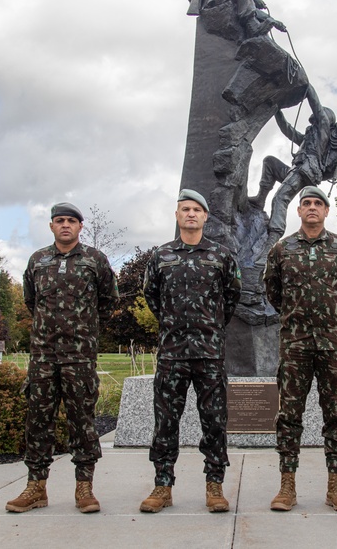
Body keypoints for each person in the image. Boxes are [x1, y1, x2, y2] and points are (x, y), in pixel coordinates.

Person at [7, 202, 119, 514]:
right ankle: (35, 487)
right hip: (43, 356)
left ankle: (84, 486)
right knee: (38, 421)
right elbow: (32, 300)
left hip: (79, 357)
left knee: (82, 421)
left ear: (80, 226)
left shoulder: (94, 260)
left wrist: (86, 328)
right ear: (52, 226)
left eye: (71, 221)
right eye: (60, 221)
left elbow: (109, 300)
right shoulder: (38, 260)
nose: (65, 225)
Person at [263, 185, 337, 512]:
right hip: (295, 345)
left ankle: (335, 487)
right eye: (305, 203)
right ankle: (287, 486)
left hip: (333, 346)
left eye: (317, 204)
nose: (311, 208)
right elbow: (273, 293)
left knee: (335, 414)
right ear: (298, 211)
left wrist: (333, 321)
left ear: (326, 210)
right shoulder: (282, 250)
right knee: (289, 415)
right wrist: (296, 319)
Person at [139, 189, 242, 514]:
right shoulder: (161, 256)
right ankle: (162, 486)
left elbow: (231, 297)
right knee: (166, 422)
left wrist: (209, 325)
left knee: (214, 422)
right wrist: (175, 323)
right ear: (177, 215)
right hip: (172, 355)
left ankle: (215, 486)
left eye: (197, 209)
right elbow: (151, 296)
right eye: (185, 209)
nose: (191, 214)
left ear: (205, 216)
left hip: (209, 355)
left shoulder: (221, 256)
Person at [249, 85, 337, 241]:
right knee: (269, 162)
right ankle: (260, 200)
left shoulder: (322, 129)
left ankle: (271, 241)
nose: (311, 123)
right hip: (296, 169)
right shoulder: (308, 137)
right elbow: (288, 130)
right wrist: (277, 111)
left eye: (314, 120)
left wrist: (307, 86)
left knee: (280, 198)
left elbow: (316, 104)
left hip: (306, 171)